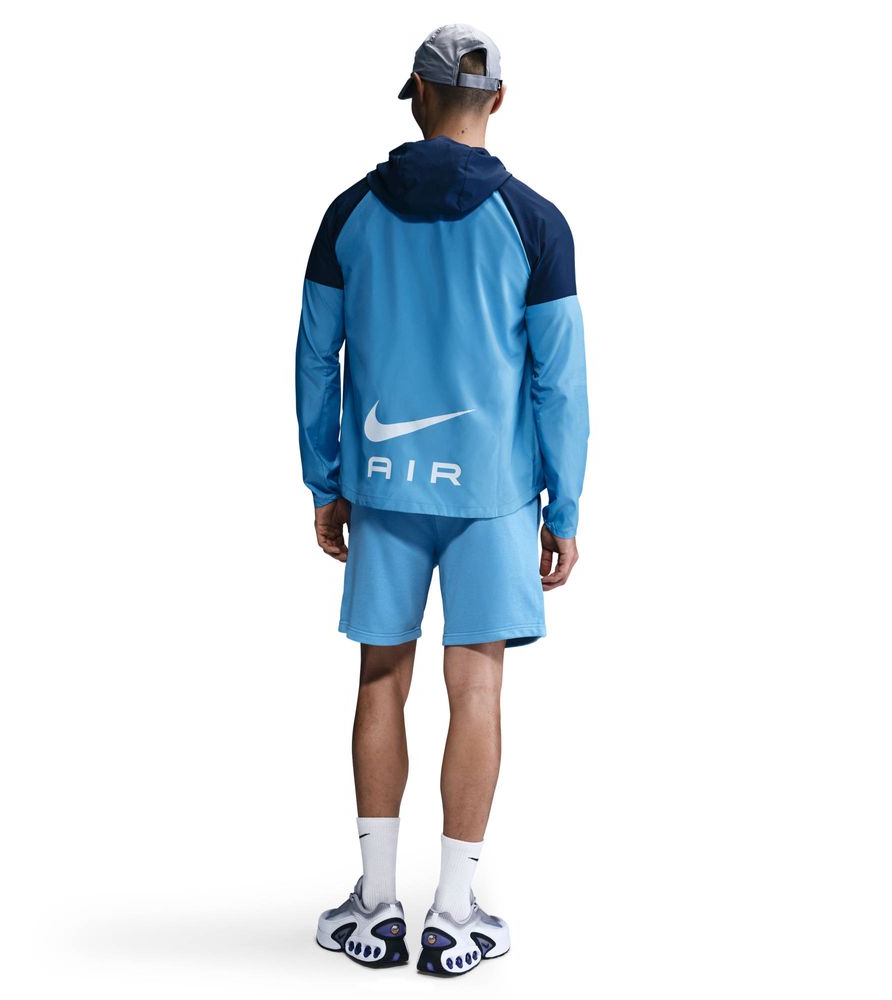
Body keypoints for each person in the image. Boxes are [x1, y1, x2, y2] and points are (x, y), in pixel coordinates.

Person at [298, 23, 589, 977]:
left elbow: (315, 358)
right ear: (497, 100)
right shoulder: (535, 222)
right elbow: (560, 382)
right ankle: (454, 917)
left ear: (417, 96)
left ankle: (375, 907)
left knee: (382, 678)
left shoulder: (349, 214)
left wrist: (326, 480)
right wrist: (564, 509)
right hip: (493, 497)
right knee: (478, 688)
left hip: (384, 493)